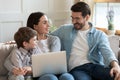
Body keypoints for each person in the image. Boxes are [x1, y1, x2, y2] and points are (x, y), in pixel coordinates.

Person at [51, 2, 120, 80]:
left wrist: (116, 65)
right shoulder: (64, 30)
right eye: (72, 18)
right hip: (77, 69)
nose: (73, 21)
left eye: (77, 18)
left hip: (95, 66)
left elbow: (107, 52)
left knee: (116, 75)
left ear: (87, 17)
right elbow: (47, 37)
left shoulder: (99, 35)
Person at [4, 12, 74, 80]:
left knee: (67, 77)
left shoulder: (54, 40)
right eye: (44, 23)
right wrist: (15, 70)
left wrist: (32, 68)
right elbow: (8, 61)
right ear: (35, 26)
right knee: (51, 78)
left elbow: (53, 63)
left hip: (55, 70)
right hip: (41, 74)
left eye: (47, 22)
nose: (48, 25)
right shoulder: (28, 43)